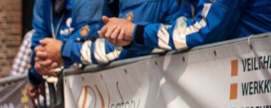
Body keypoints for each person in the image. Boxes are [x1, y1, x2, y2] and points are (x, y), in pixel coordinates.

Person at [99, 0, 271, 52]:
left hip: (257, 79)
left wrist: (136, 32)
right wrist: (132, 38)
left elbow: (204, 31)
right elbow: (178, 30)